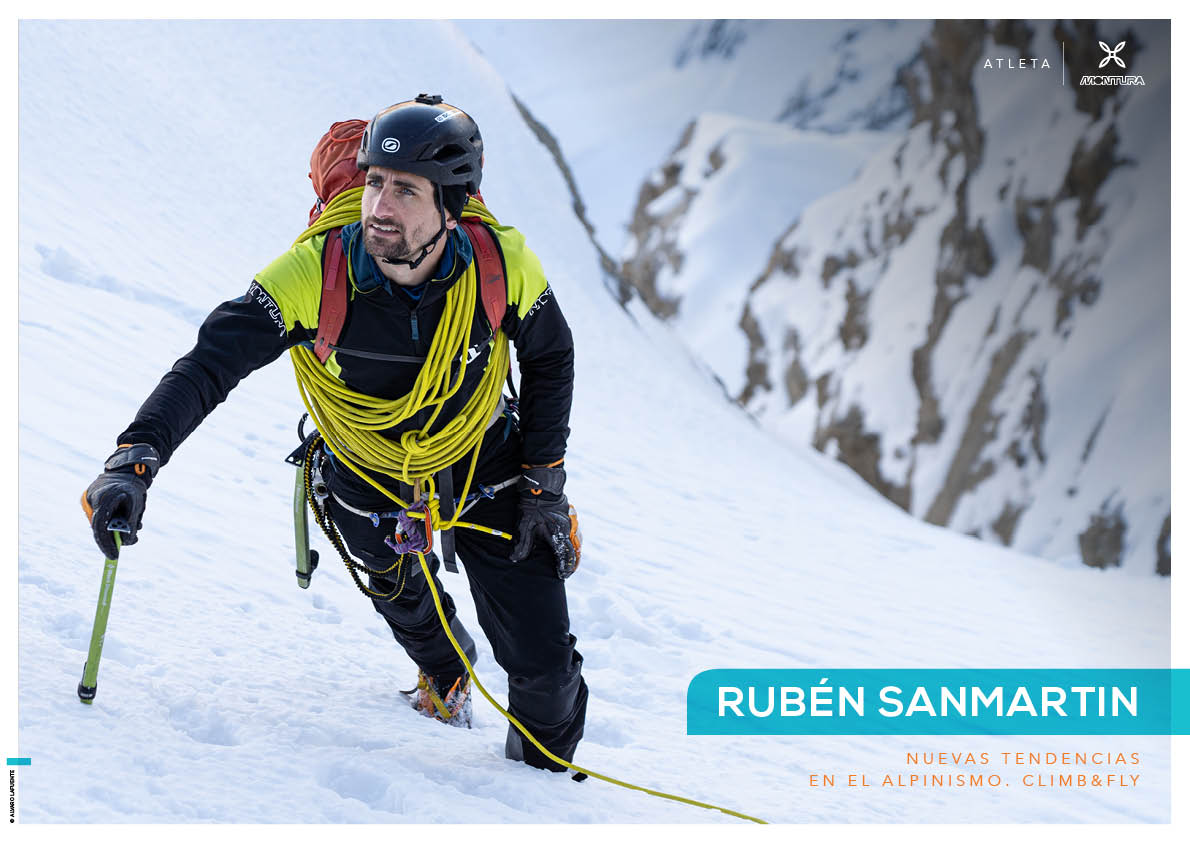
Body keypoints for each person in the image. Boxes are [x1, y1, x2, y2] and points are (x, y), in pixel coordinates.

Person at [80, 95, 588, 772]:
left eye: (405, 190)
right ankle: (447, 670)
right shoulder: (313, 274)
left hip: (485, 459)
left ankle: (544, 788)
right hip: (362, 462)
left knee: (546, 672)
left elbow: (550, 355)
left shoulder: (502, 264)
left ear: (454, 205)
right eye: (375, 182)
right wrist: (134, 456)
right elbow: (208, 365)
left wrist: (544, 481)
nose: (380, 207)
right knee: (400, 591)